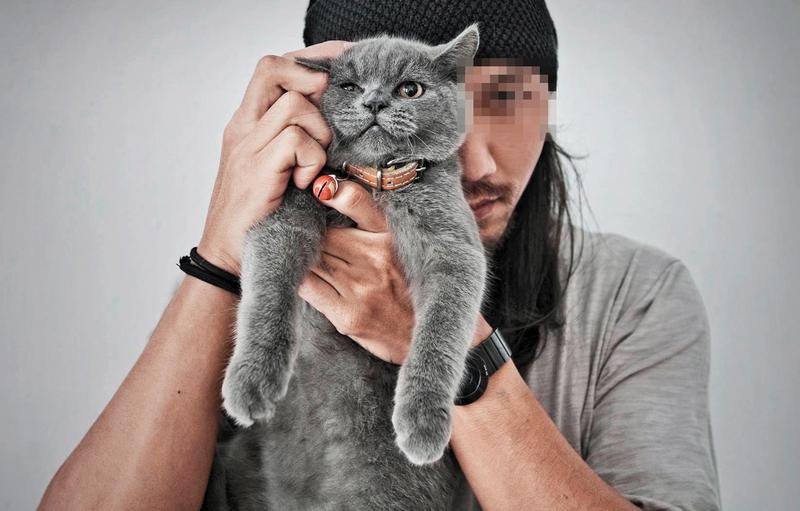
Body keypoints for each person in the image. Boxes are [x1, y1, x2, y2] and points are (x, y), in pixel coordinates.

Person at [38, 1, 722, 509]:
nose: (475, 162)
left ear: (550, 101)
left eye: (508, 98)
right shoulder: (262, 267)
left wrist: (457, 353)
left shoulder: (632, 292)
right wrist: (219, 252)